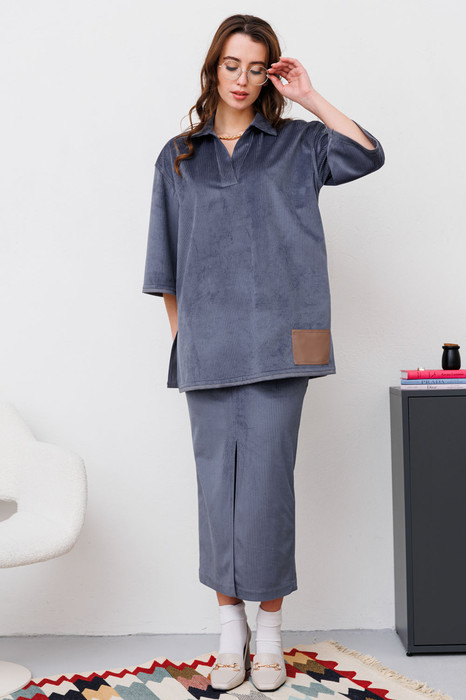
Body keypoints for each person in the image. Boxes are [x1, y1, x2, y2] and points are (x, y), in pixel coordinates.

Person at [142, 13, 385, 693]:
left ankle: (271, 633)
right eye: (232, 65)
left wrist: (309, 95)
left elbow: (368, 153)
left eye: (256, 68)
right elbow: (166, 262)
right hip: (207, 348)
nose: (242, 79)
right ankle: (230, 632)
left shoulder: (300, 144)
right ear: (213, 68)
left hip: (284, 345)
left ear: (270, 74)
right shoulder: (178, 156)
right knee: (216, 492)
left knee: (268, 489)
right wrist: (186, 340)